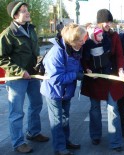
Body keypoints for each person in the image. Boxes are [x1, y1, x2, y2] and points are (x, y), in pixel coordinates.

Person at [0, 1, 49, 153]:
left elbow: (34, 51)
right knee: (17, 112)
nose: (27, 12)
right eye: (22, 11)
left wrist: (39, 62)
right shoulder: (8, 34)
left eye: (26, 9)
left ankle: (33, 132)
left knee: (36, 104)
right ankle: (18, 142)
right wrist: (19, 71)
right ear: (15, 16)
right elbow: (1, 58)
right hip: (17, 79)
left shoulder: (31, 30)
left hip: (33, 75)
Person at [80, 9, 124, 152]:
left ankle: (115, 142)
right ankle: (95, 135)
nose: (107, 24)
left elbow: (119, 55)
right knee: (94, 108)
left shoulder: (114, 36)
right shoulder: (88, 36)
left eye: (109, 21)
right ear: (99, 22)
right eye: (105, 21)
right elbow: (83, 55)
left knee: (113, 109)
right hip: (94, 78)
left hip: (111, 78)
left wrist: (120, 69)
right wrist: (86, 69)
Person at [41, 23, 85, 155]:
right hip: (54, 92)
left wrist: (81, 71)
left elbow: (75, 66)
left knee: (65, 118)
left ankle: (65, 141)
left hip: (66, 91)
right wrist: (75, 76)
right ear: (73, 40)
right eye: (81, 40)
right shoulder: (56, 53)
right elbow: (55, 78)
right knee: (57, 121)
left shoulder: (74, 49)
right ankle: (60, 148)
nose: (83, 42)